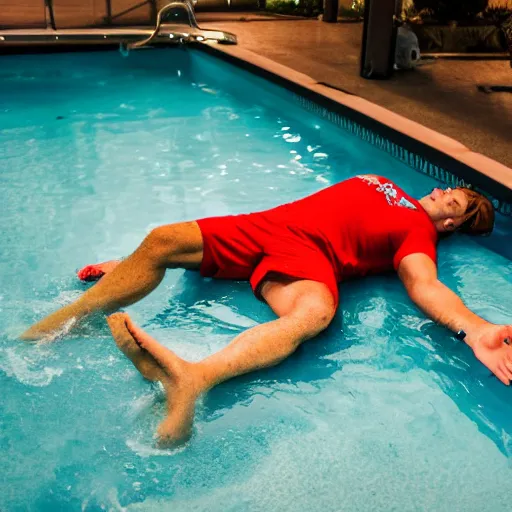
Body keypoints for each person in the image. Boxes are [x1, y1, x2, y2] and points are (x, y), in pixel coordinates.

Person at [21, 174, 512, 445]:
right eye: (454, 188)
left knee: (315, 313)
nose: (448, 191)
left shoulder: (418, 233)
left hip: (310, 259)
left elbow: (424, 285)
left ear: (452, 223)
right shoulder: (386, 182)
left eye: (459, 200)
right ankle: (59, 325)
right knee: (162, 239)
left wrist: (474, 328)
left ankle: (193, 378)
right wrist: (131, 264)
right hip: (269, 225)